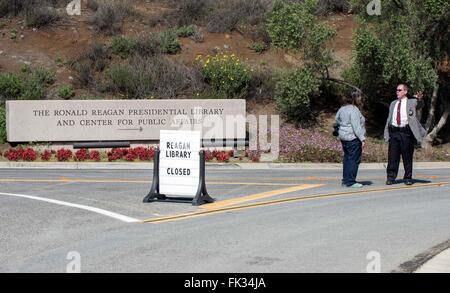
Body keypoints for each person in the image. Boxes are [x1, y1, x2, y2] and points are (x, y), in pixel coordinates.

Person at [384, 84, 427, 185]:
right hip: (394, 132)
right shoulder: (393, 103)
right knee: (392, 156)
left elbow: (420, 105)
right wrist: (386, 132)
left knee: (407, 156)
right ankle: (391, 177)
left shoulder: (412, 102)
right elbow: (389, 119)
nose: (397, 92)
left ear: (405, 92)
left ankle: (408, 177)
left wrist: (420, 99)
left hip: (406, 133)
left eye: (399, 90)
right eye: (397, 90)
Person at [335, 90, 366, 188]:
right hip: (353, 138)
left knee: (347, 158)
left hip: (344, 137)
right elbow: (356, 126)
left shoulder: (342, 108)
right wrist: (362, 139)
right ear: (355, 98)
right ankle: (351, 181)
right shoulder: (354, 110)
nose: (361, 99)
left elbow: (337, 120)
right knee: (354, 159)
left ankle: (345, 180)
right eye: (359, 97)